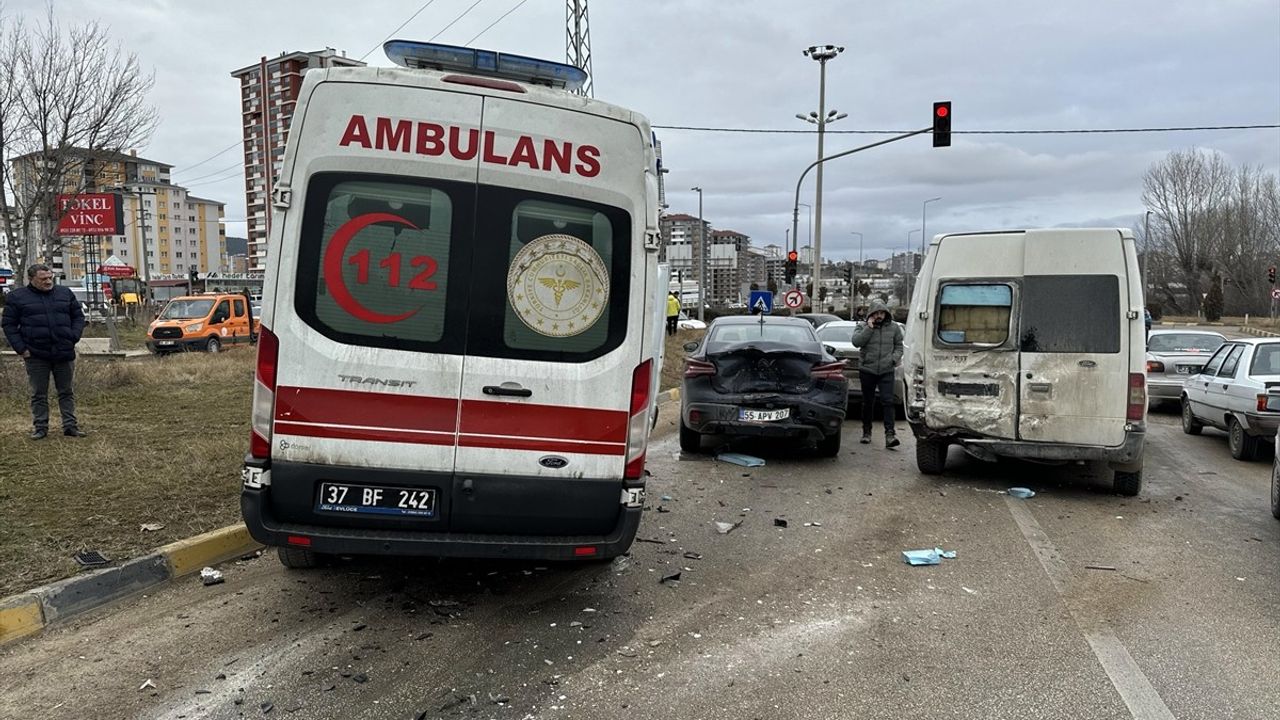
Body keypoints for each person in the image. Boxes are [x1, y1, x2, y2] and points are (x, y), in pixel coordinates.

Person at [2, 264, 87, 439]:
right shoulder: (17, 298)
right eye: (43, 279)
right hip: (35, 354)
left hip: (63, 351)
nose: (48, 281)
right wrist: (21, 349)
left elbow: (78, 316)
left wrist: (73, 336)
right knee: (39, 393)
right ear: (31, 279)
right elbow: (9, 325)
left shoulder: (65, 294)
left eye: (50, 278)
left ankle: (70, 426)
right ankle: (41, 427)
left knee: (66, 391)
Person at [850, 299, 903, 448]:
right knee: (868, 402)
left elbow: (899, 346)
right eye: (876, 313)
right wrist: (869, 328)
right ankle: (866, 432)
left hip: (886, 370)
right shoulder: (862, 326)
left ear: (886, 313)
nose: (879, 316)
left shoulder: (894, 328)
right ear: (871, 314)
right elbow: (856, 342)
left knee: (888, 402)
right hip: (868, 370)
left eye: (882, 313)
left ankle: (890, 435)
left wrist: (893, 360)